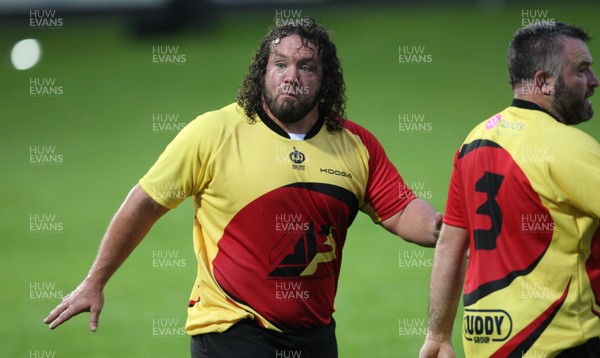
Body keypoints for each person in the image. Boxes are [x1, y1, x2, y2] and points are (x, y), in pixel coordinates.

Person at [44, 19, 441, 357]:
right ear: (262, 72)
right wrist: (94, 281)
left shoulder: (355, 144)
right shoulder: (213, 132)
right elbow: (145, 202)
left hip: (315, 335)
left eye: (306, 67)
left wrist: (454, 228)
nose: (291, 77)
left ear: (325, 80)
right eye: (280, 64)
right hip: (230, 329)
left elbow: (403, 212)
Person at [420, 22, 600, 358]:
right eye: (582, 70)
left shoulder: (473, 142)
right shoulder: (569, 147)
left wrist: (438, 335)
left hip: (487, 344)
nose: (593, 81)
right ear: (544, 81)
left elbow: (450, 243)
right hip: (560, 341)